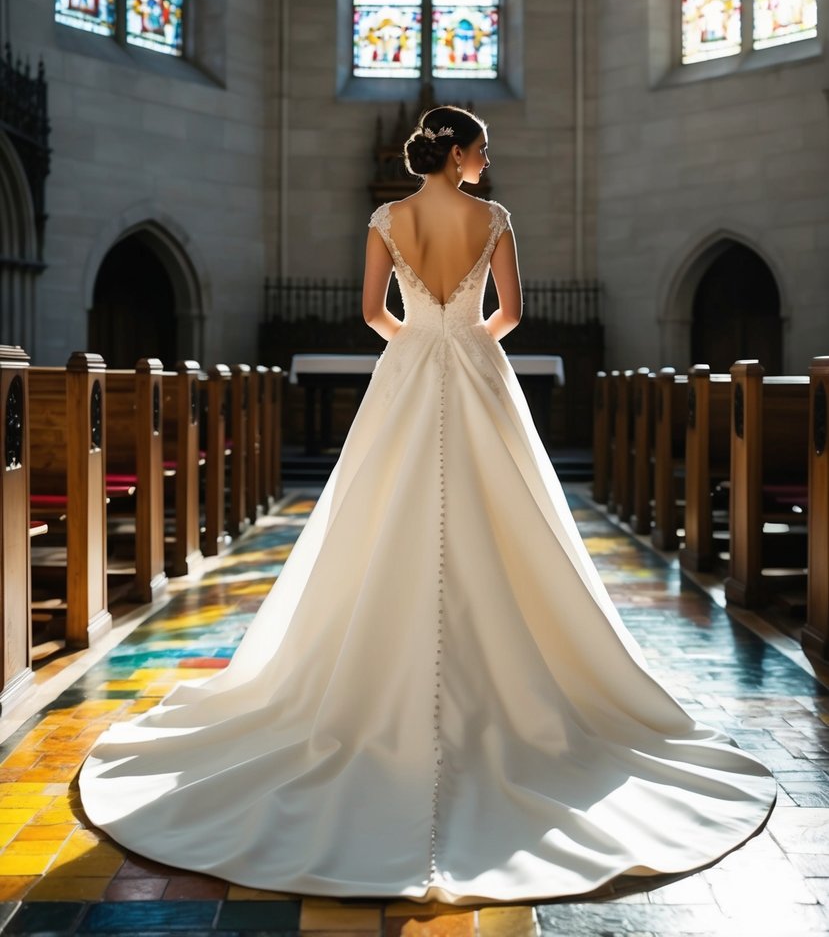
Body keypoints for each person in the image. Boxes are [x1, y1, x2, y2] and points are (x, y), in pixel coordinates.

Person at [79, 106, 775, 904]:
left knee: (379, 515)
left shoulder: (387, 216)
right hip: (478, 372)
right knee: (510, 518)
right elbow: (509, 313)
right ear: (457, 152)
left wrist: (416, 339)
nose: (488, 159)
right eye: (482, 147)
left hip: (406, 372)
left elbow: (373, 312)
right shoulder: (495, 218)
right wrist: (467, 336)